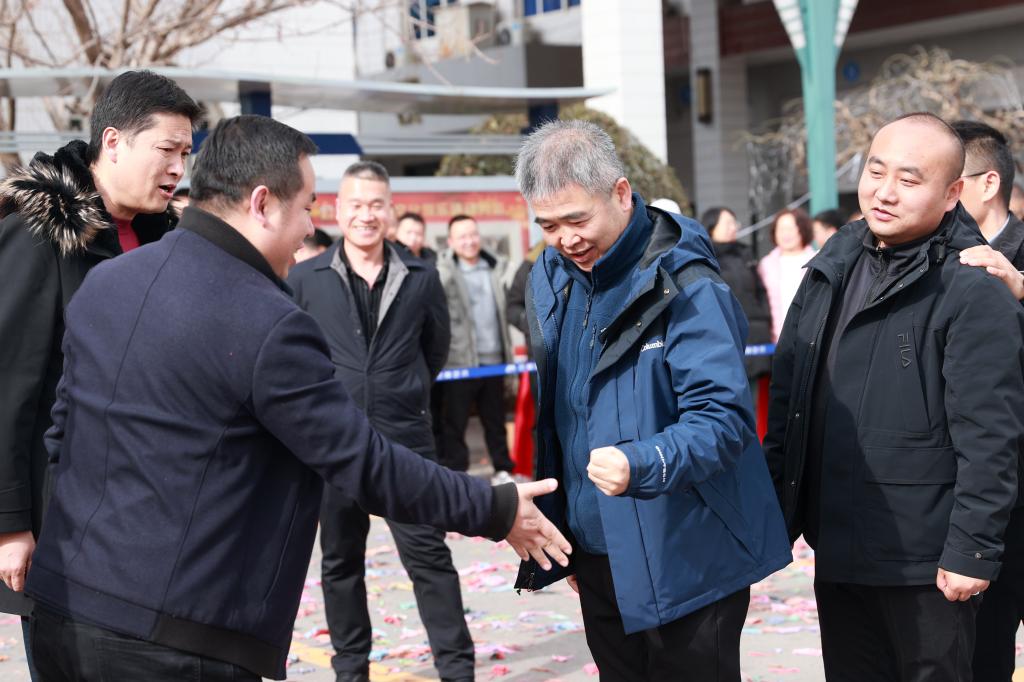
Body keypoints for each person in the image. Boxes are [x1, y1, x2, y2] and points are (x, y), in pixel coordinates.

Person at [23, 115, 571, 681]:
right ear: (262, 204)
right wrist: (495, 507)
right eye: (308, 208)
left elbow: (61, 437)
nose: (310, 230)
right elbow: (362, 462)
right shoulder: (266, 318)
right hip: (174, 639)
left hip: (62, 612)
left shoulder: (108, 281)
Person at [512, 119, 790, 681]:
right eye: (548, 226)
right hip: (598, 549)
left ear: (621, 193)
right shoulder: (550, 276)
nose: (566, 239)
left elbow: (723, 421)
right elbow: (563, 414)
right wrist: (570, 530)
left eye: (577, 220)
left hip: (686, 551)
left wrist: (643, 461)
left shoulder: (687, 283)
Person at [764, 112, 1024, 682]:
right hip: (839, 545)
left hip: (926, 564)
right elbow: (791, 398)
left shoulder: (971, 285)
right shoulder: (831, 267)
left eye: (909, 180)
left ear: (952, 193)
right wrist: (771, 516)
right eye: (876, 171)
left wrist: (973, 549)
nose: (884, 192)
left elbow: (991, 435)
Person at [0, 69, 199, 677]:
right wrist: (9, 525)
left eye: (186, 154)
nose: (178, 169)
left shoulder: (164, 238)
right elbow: (8, 388)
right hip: (64, 520)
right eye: (167, 150)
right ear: (113, 142)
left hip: (149, 519)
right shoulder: (40, 234)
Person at [288, 161, 475, 682]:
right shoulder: (305, 278)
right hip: (334, 442)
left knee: (429, 558)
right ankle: (351, 671)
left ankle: (457, 670)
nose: (366, 215)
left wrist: (402, 392)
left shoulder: (421, 276)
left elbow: (434, 350)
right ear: (337, 209)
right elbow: (293, 355)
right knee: (340, 562)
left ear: (390, 211)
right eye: (356, 204)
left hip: (406, 441)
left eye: (376, 205)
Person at [950, 119, 1024, 682]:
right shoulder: (934, 257)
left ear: (987, 183)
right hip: (970, 494)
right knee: (980, 650)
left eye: (953, 182)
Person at [436, 215, 517, 484]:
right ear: (450, 242)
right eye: (462, 237)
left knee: (495, 420)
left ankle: (503, 469)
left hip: (494, 358)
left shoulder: (495, 267)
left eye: (473, 235)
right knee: (454, 422)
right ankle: (457, 475)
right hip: (459, 362)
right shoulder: (444, 272)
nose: (469, 241)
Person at [700, 207, 773, 390]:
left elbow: (760, 292)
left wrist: (765, 321)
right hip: (723, 334)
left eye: (734, 223)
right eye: (727, 224)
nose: (733, 228)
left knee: (756, 393)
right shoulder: (704, 256)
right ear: (711, 227)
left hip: (755, 335)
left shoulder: (745, 254)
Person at [757, 208, 816, 341]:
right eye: (781, 229)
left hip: (810, 337)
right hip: (775, 339)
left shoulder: (816, 260)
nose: (786, 234)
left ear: (803, 229)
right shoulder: (766, 264)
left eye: (790, 228)